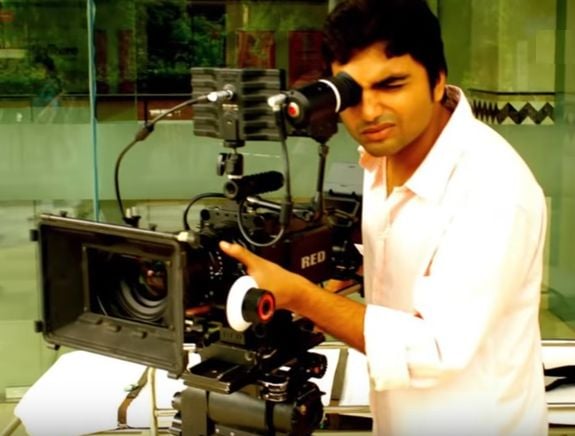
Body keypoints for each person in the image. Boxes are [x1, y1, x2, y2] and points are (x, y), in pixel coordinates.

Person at [220, 0, 548, 434]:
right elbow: (407, 263)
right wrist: (332, 272)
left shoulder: (493, 189)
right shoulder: (381, 158)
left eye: (391, 85)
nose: (370, 111)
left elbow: (434, 350)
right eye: (353, 93)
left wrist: (300, 296)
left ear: (438, 81)